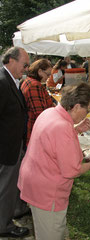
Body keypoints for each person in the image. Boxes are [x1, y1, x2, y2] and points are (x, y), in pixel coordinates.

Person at [18, 82, 90, 240]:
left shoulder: (50, 112)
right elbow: (72, 171)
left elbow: (53, 144)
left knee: (56, 226)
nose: (88, 112)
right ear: (76, 107)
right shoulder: (62, 127)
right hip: (46, 191)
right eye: (88, 108)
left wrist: (76, 129)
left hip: (35, 180)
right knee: (50, 232)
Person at [0, 47, 30, 238]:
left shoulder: (10, 79)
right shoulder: (2, 82)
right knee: (5, 187)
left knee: (12, 184)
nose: (26, 69)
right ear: (11, 60)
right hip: (5, 147)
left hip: (12, 143)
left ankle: (15, 210)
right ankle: (3, 225)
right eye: (24, 64)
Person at [21, 58, 54, 146]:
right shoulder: (34, 85)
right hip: (36, 131)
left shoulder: (29, 81)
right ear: (39, 71)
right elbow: (40, 113)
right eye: (47, 74)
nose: (48, 78)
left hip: (34, 129)